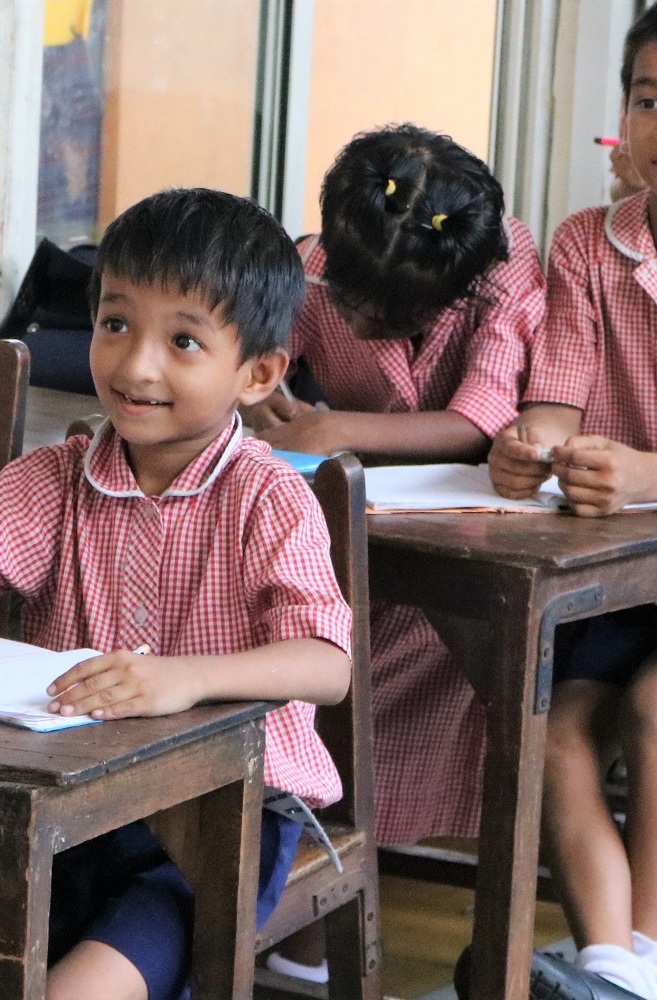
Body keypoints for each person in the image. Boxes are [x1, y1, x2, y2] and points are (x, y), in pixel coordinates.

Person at [0, 188, 353, 1000]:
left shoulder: (267, 496)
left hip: (215, 828)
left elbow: (327, 664)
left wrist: (184, 676)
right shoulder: (50, 480)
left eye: (183, 340)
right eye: (115, 323)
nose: (136, 364)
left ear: (257, 373)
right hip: (56, 821)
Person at [247, 125, 545, 862]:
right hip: (355, 531)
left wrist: (327, 429)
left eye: (390, 318)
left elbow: (478, 421)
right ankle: (303, 877)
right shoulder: (313, 264)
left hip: (467, 534)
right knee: (293, 652)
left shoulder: (501, 268)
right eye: (350, 302)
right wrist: (258, 398)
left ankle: (327, 877)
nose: (357, 326)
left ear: (451, 289)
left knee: (408, 674)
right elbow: (248, 358)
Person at [485, 10, 657, 998]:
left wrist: (647, 474)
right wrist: (528, 449)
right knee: (553, 721)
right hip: (614, 575)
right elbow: (553, 401)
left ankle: (638, 960)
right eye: (647, 99)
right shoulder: (590, 244)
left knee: (651, 706)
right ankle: (609, 964)